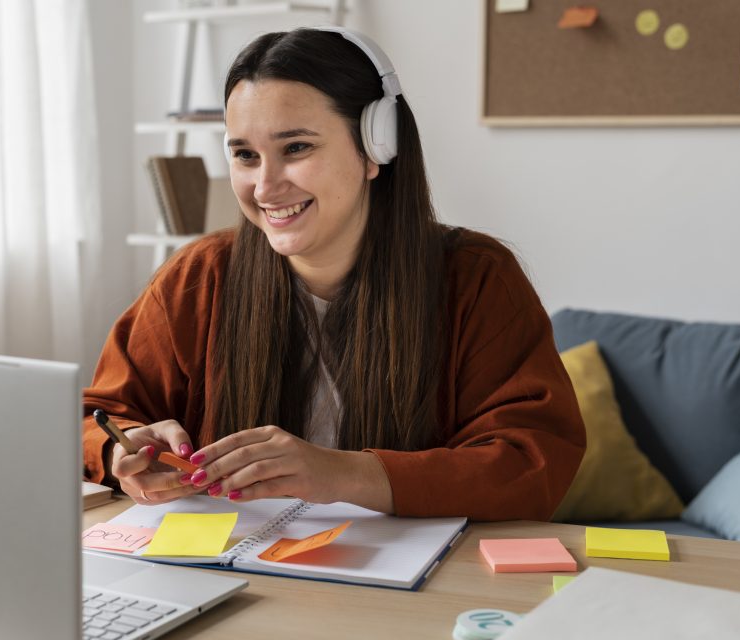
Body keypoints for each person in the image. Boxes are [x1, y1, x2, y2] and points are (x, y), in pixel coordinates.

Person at [83, 27, 585, 520]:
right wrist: (117, 453)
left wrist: (344, 474)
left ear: (375, 148)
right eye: (245, 155)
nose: (265, 186)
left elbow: (534, 460)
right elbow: (93, 416)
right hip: (241, 580)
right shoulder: (199, 276)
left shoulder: (477, 278)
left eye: (296, 148)